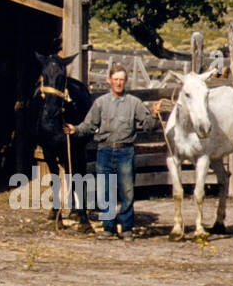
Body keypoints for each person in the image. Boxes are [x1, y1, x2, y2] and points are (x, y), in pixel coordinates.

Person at [64, 65, 162, 240]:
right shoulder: (100, 103)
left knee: (127, 192)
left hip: (126, 152)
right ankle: (108, 228)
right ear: (109, 80)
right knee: (104, 192)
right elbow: (89, 126)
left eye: (121, 80)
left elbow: (148, 126)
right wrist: (75, 130)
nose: (118, 83)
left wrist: (154, 114)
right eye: (115, 79)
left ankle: (126, 229)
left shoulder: (134, 103)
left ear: (125, 82)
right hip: (105, 151)